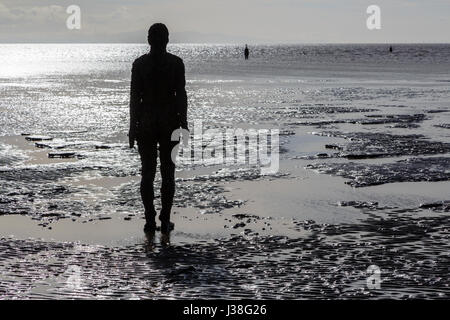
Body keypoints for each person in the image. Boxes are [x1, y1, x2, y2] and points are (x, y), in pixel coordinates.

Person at [128, 23, 188, 234]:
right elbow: (180, 96)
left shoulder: (140, 64)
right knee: (168, 173)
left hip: (145, 123)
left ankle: (150, 219)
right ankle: (164, 219)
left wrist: (132, 127)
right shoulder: (175, 63)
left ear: (149, 40)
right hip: (169, 122)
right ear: (167, 40)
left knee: (148, 172)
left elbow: (135, 99)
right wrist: (185, 124)